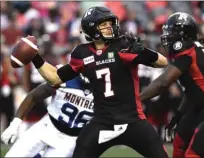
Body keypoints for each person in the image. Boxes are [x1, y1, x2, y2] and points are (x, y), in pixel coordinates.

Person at [20, 6, 168, 158]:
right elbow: (55, 78)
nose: (109, 27)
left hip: (133, 120)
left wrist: (143, 51)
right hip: (102, 122)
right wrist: (35, 58)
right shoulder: (82, 53)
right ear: (92, 29)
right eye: (103, 24)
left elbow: (163, 62)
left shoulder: (123, 46)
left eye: (110, 23)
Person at [140, 12, 204, 158]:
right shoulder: (195, 48)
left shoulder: (188, 52)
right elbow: (192, 91)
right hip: (203, 104)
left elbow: (163, 83)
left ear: (184, 35)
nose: (167, 36)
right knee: (179, 142)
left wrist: (137, 98)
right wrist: (178, 115)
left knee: (194, 153)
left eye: (171, 32)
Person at [1, 72, 93, 157]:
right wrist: (14, 125)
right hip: (46, 127)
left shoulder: (104, 93)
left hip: (69, 141)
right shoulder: (65, 79)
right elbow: (33, 96)